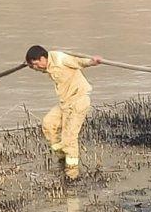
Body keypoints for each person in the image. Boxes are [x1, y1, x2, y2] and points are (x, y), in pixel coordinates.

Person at [26, 46, 104, 181]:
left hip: (78, 100)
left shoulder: (61, 58)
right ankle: (62, 158)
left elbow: (79, 61)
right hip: (65, 103)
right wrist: (28, 64)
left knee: (69, 138)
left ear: (42, 58)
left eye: (36, 64)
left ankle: (72, 174)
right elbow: (43, 68)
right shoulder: (47, 64)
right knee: (48, 124)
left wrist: (93, 61)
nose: (36, 68)